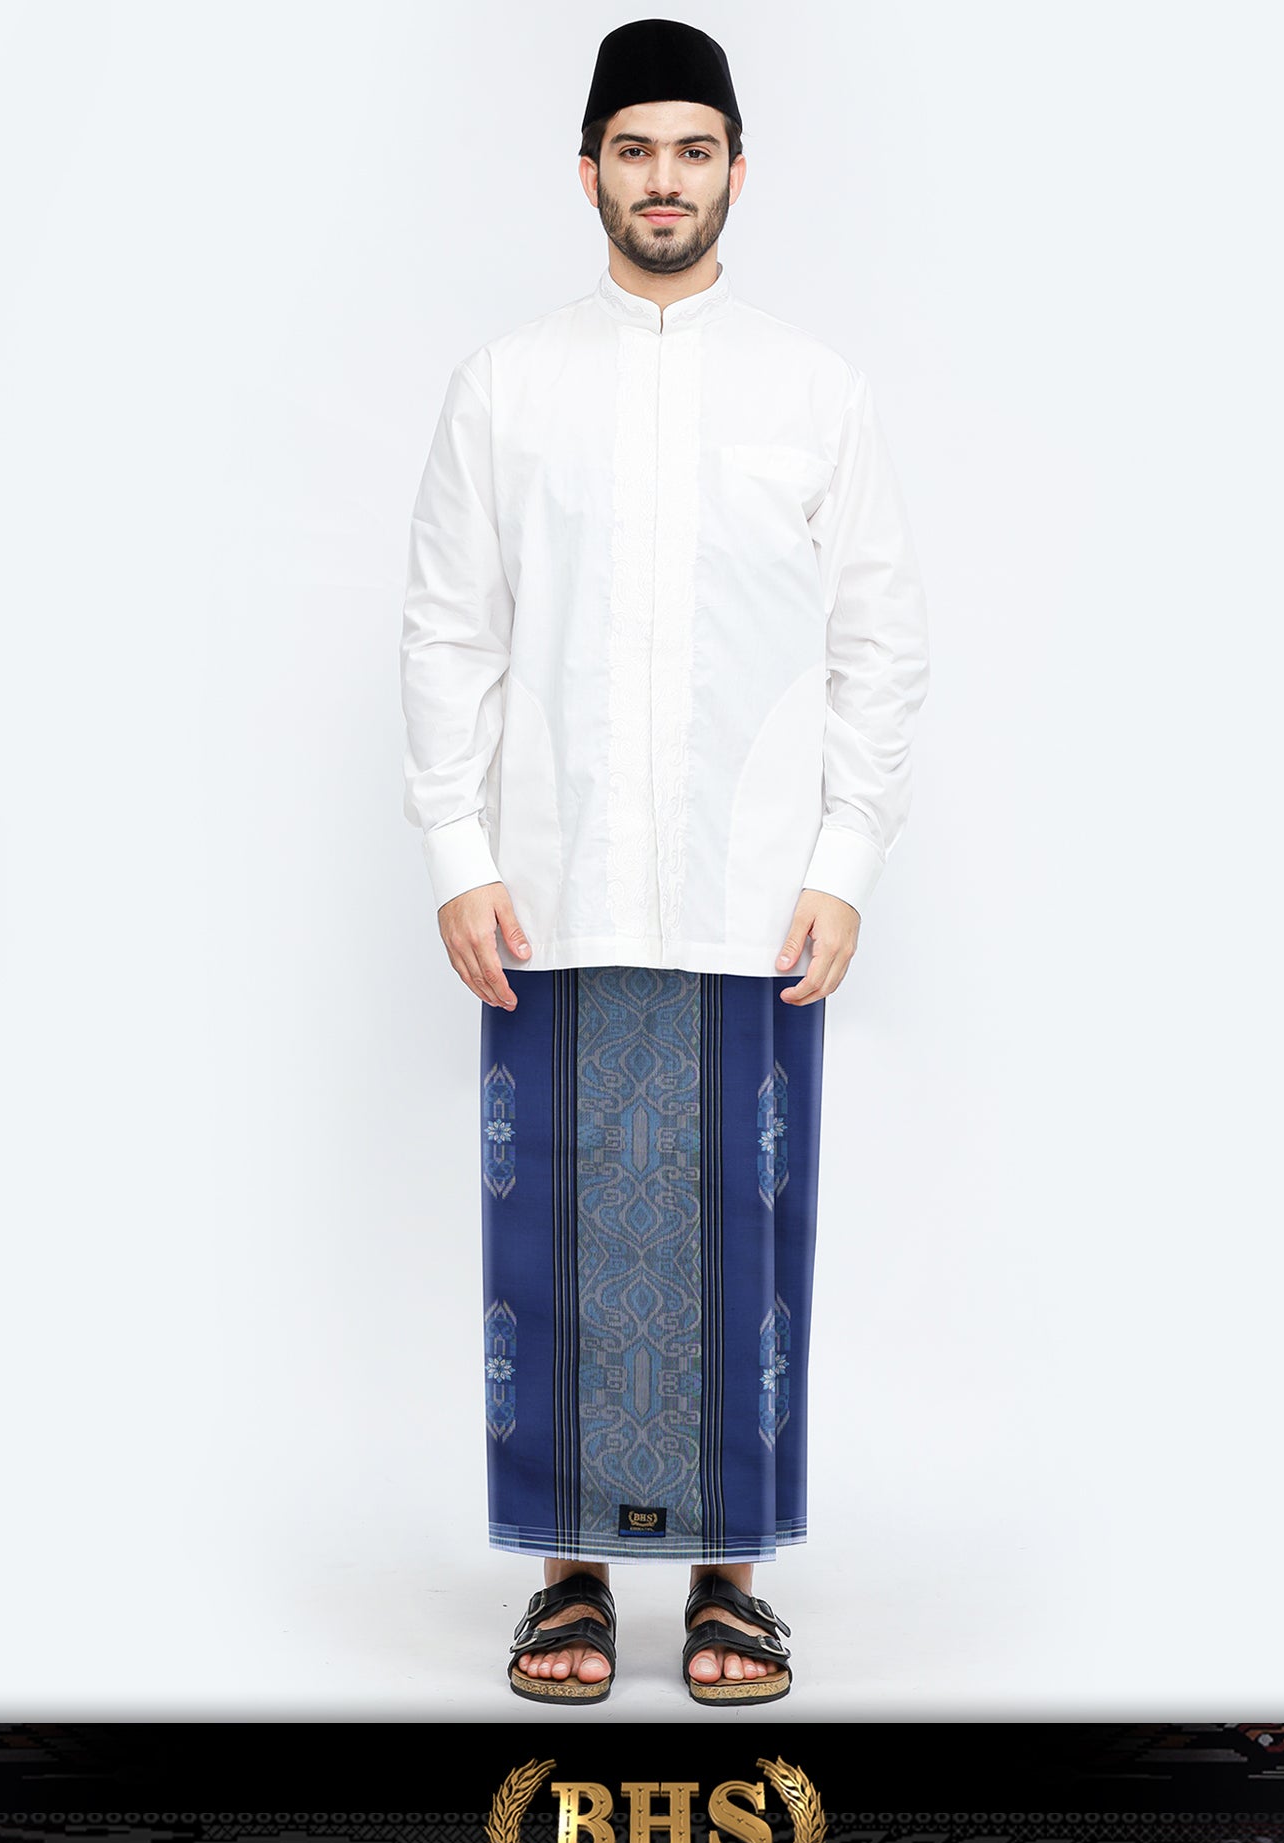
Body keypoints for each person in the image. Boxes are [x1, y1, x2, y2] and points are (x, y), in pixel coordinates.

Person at [398, 17, 930, 1706]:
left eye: (694, 149)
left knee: (739, 1231)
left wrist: (845, 857)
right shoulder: (507, 386)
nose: (664, 179)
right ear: (588, 172)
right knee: (551, 1229)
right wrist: (459, 846)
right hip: (549, 883)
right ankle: (565, 1576)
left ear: (738, 172)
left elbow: (880, 642)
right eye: (635, 149)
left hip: (751, 888)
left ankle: (729, 1582)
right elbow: (448, 630)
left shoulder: (812, 390)